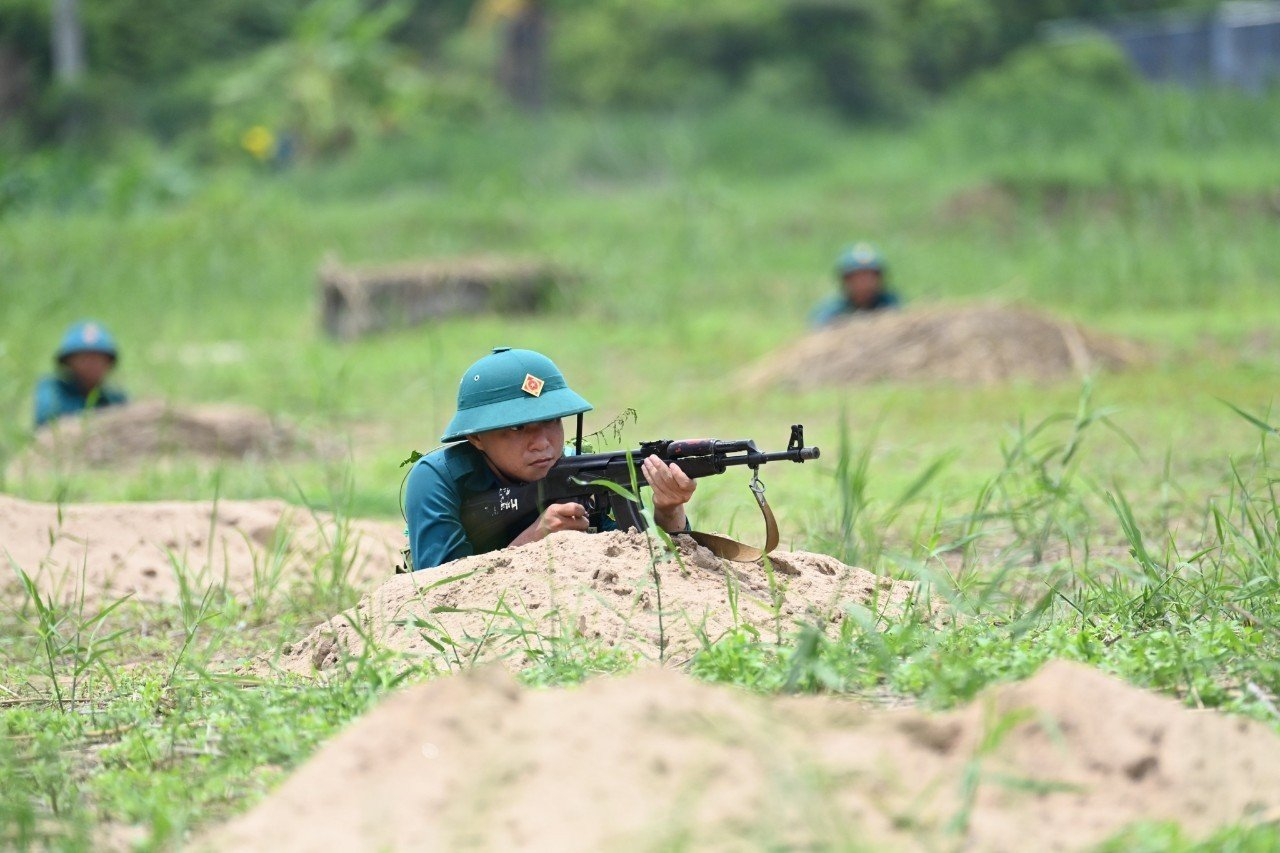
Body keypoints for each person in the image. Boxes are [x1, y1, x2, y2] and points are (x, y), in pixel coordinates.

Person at [404, 347, 696, 571]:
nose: (543, 443)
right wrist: (533, 541)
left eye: (553, 420)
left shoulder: (578, 470)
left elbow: (648, 565)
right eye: (517, 428)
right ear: (476, 438)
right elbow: (438, 590)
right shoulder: (438, 478)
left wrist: (669, 509)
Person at [33, 320, 128, 428]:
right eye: (84, 358)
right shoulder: (54, 390)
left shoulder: (115, 399)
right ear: (69, 362)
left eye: (98, 358)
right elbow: (46, 422)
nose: (91, 364)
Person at [809, 242, 901, 327]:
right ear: (846, 280)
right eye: (858, 277)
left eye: (870, 276)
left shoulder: (891, 304)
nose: (865, 283)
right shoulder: (831, 310)